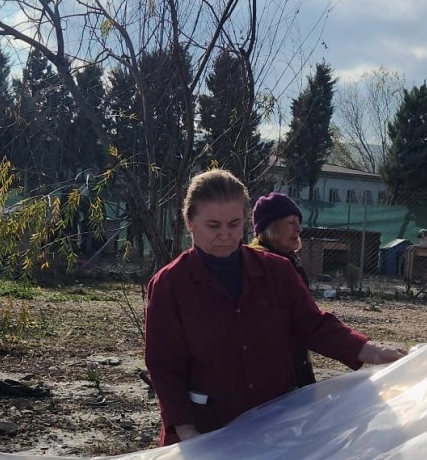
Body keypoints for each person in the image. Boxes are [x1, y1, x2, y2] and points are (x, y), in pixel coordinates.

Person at [145, 169, 405, 446]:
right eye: (213, 225)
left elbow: (313, 325)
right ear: (190, 223)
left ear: (245, 221)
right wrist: (186, 431)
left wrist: (371, 350)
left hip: (275, 426)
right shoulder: (170, 284)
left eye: (233, 224)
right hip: (206, 430)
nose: (224, 235)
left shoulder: (276, 272)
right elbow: (164, 365)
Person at [251, 191, 316, 386]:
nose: (299, 229)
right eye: (291, 223)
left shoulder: (289, 259)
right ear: (270, 226)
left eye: (299, 222)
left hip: (295, 357)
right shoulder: (260, 264)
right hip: (272, 368)